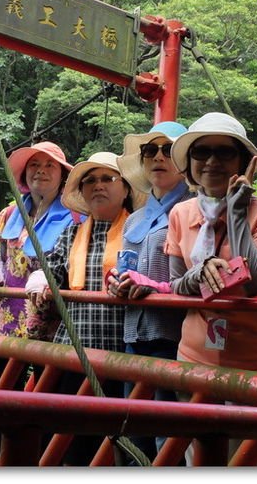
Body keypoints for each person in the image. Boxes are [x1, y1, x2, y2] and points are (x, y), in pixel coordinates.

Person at [164, 112, 257, 466]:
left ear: (244, 162)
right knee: (199, 461)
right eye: (202, 153)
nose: (212, 162)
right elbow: (175, 285)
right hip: (195, 355)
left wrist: (236, 213)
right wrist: (199, 273)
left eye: (224, 153)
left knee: (250, 462)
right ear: (189, 164)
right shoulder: (181, 214)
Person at [27, 151, 134, 465]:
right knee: (69, 441)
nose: (97, 186)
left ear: (126, 188)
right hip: (73, 352)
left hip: (119, 356)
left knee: (111, 443)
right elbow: (52, 272)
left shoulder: (138, 231)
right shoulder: (72, 233)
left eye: (106, 178)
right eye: (90, 180)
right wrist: (43, 285)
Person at [105, 121, 191, 462]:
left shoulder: (193, 210)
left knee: (165, 435)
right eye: (149, 151)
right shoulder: (134, 219)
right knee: (131, 430)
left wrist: (150, 287)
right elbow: (127, 269)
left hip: (172, 336)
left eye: (167, 150)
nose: (157, 157)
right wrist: (117, 283)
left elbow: (191, 278)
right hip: (133, 336)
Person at [0, 141, 81, 388]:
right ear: (24, 173)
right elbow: (2, 261)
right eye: (34, 164)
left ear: (63, 174)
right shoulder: (9, 214)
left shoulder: (75, 216)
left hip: (51, 327)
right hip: (8, 319)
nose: (40, 170)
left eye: (49, 165)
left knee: (46, 396)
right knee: (3, 393)